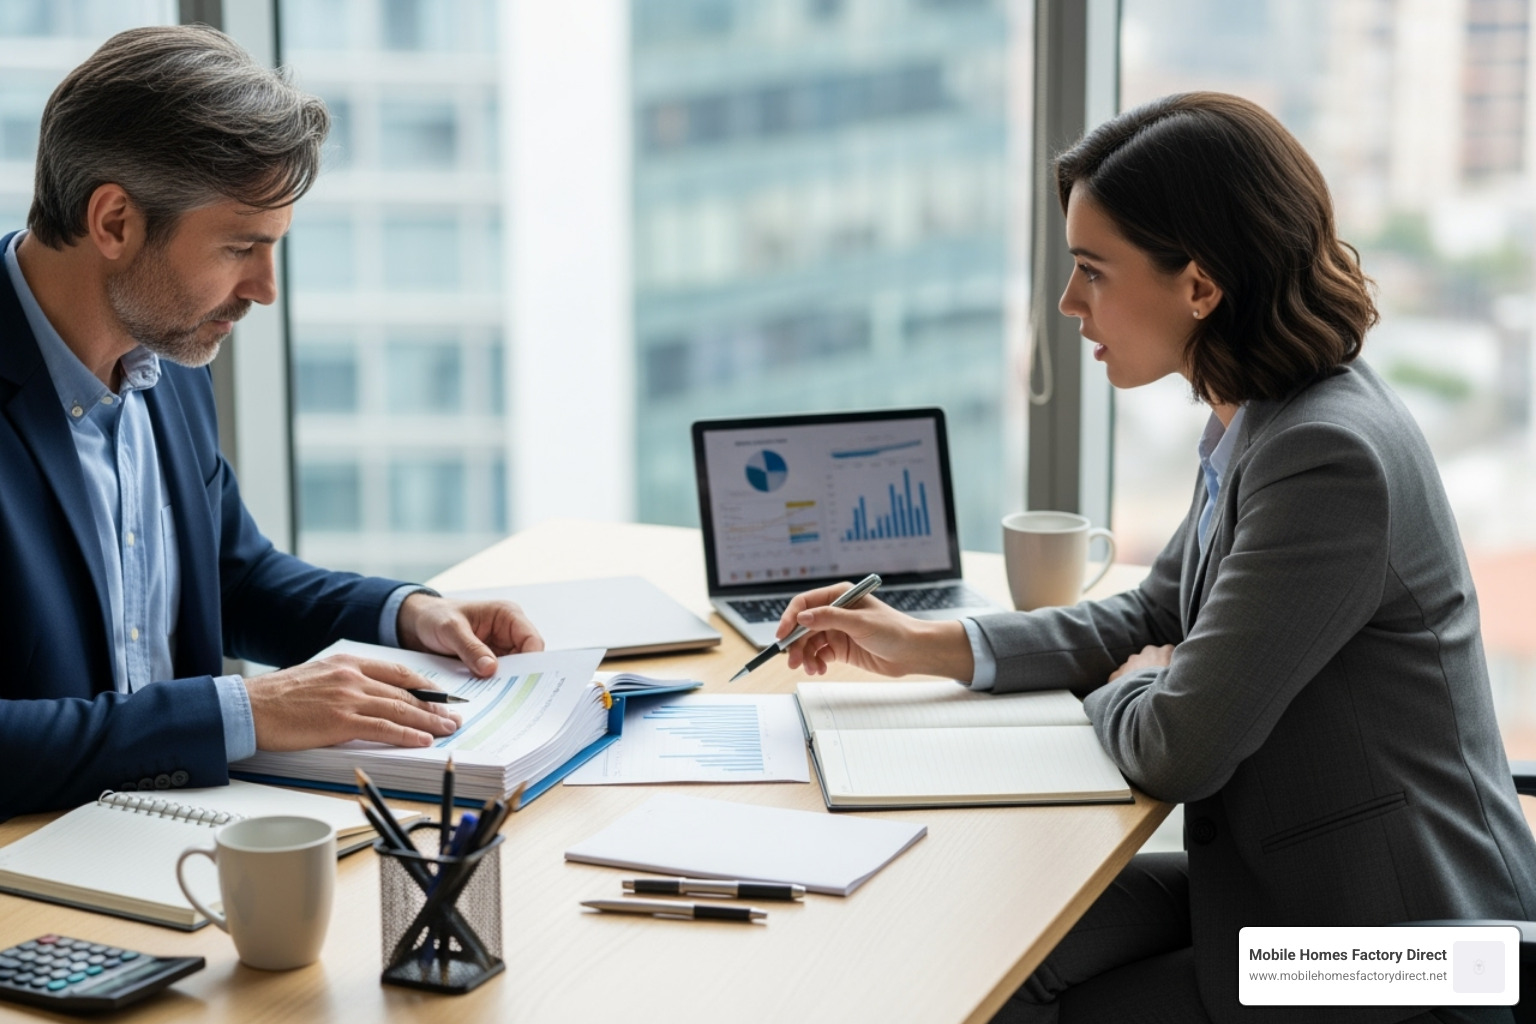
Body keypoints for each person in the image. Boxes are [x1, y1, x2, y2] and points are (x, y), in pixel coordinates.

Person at [776, 92, 1536, 1024]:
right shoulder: (1265, 415)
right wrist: (928, 645)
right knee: (977, 953)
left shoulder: (1325, 457)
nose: (1068, 304)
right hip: (1287, 882)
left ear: (1201, 287)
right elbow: (1151, 617)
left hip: (1402, 952)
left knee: (1005, 998)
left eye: (1093, 272)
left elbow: (1179, 748)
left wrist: (1132, 688)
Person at [0, 25, 542, 820]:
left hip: (162, 842)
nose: (264, 289)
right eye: (239, 248)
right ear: (114, 222)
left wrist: (406, 616)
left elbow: (234, 574)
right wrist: (243, 713)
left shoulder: (163, 354)